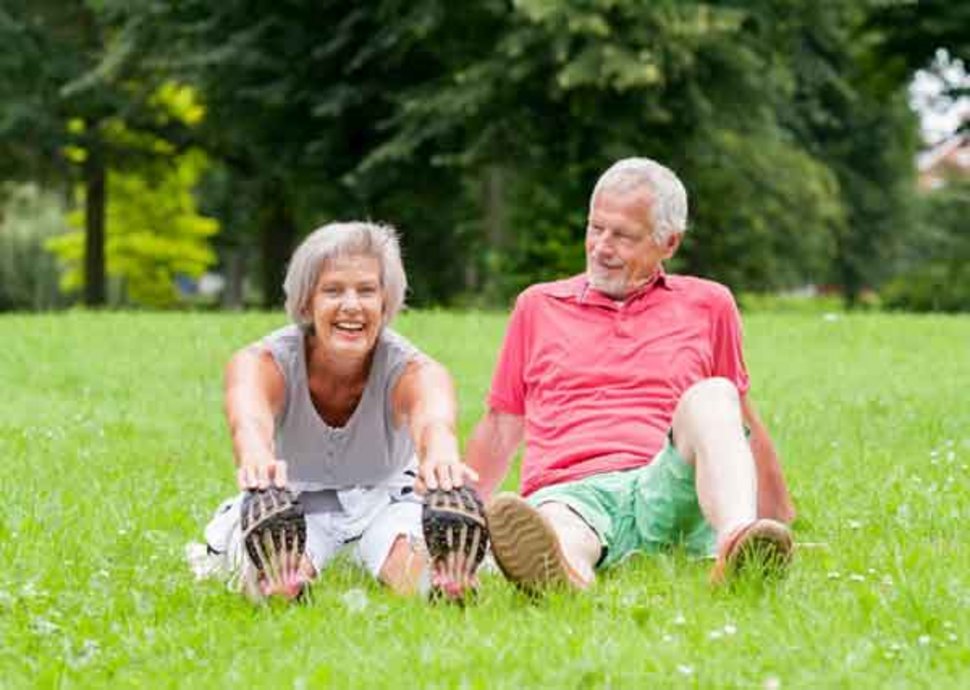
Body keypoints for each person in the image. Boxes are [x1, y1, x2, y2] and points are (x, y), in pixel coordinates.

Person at [464, 157, 796, 591]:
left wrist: (777, 520)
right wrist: (460, 521)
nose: (601, 247)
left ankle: (737, 543)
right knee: (558, 528)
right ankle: (563, 577)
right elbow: (501, 424)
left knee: (715, 394)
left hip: (665, 482)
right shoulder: (537, 307)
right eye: (595, 228)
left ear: (669, 243)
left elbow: (735, 421)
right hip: (570, 489)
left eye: (622, 236)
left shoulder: (710, 304)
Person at [188, 221, 477, 600]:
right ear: (307, 302)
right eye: (333, 290)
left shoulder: (415, 369)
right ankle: (281, 586)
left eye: (367, 291)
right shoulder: (261, 362)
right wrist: (256, 455)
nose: (352, 305)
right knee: (279, 560)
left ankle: (444, 588)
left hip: (387, 499)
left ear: (386, 302)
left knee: (411, 557)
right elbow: (249, 418)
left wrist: (439, 457)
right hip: (292, 503)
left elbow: (434, 418)